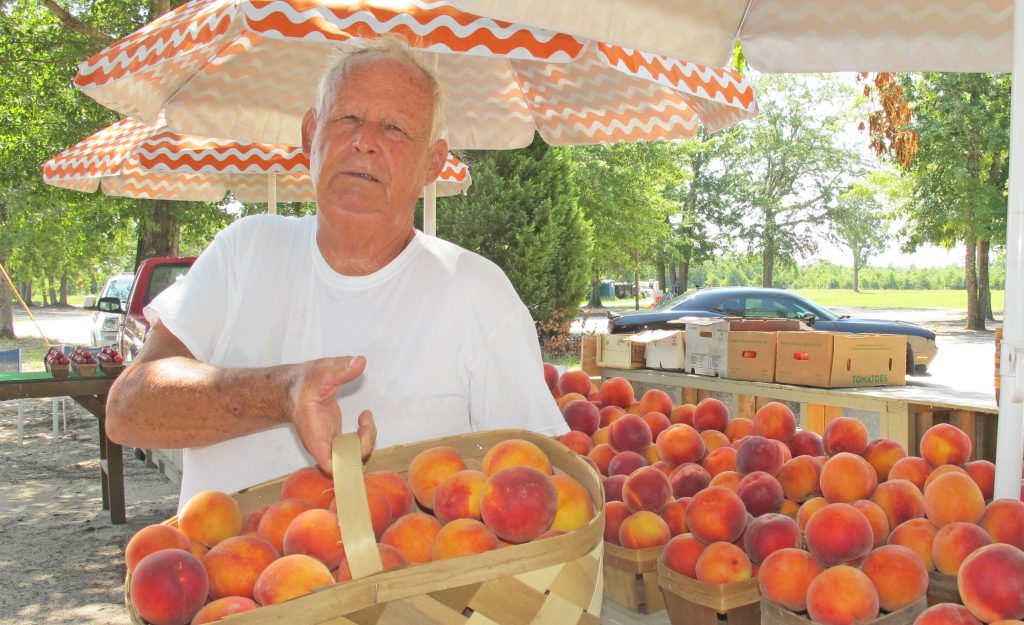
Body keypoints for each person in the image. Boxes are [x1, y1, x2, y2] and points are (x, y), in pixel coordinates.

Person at [105, 37, 569, 510]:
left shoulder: (477, 291)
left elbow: (537, 485)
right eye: (347, 118)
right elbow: (128, 410)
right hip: (218, 561)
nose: (364, 141)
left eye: (394, 128)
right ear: (311, 135)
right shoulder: (244, 250)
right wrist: (280, 393)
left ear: (433, 163)